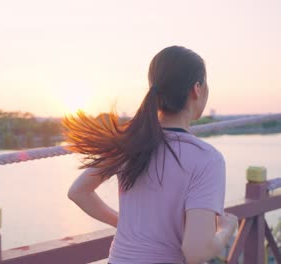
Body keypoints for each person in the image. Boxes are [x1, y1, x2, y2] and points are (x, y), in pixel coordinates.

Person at [63, 46, 238, 264]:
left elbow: (78, 192)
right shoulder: (207, 159)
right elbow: (196, 252)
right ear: (197, 89)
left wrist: (124, 222)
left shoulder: (131, 143)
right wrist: (226, 230)